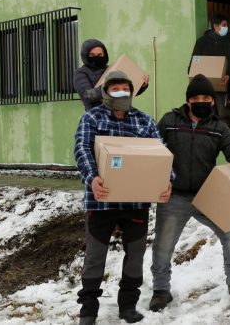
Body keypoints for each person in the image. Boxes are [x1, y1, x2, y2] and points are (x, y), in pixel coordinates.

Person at [149, 74, 230, 312]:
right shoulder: (170, 121)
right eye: (195, 97)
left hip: (208, 195)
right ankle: (161, 291)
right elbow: (153, 151)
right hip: (175, 197)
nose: (200, 101)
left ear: (212, 101)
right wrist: (156, 182)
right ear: (188, 101)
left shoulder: (218, 128)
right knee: (162, 246)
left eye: (205, 97)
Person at [73, 70, 171, 325]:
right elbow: (82, 149)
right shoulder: (91, 119)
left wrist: (166, 181)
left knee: (135, 254)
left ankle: (128, 305)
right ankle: (88, 310)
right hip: (101, 199)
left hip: (136, 202)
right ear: (106, 92)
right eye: (115, 89)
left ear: (132, 92)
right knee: (95, 256)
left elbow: (161, 154)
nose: (121, 93)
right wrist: (92, 178)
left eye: (125, 89)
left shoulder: (144, 122)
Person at [190, 14, 230, 127]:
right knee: (208, 115)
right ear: (215, 26)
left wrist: (229, 75)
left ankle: (227, 142)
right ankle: (211, 142)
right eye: (224, 25)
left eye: (227, 25)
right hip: (206, 86)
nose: (226, 28)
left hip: (223, 84)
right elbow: (193, 64)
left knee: (223, 115)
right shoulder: (202, 42)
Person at [73, 39, 149, 111]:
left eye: (100, 54)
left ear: (105, 55)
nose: (97, 57)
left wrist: (142, 85)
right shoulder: (81, 73)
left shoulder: (111, 69)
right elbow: (86, 96)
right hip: (97, 116)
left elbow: (128, 92)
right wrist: (108, 87)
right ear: (85, 55)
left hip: (119, 113)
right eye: (92, 55)